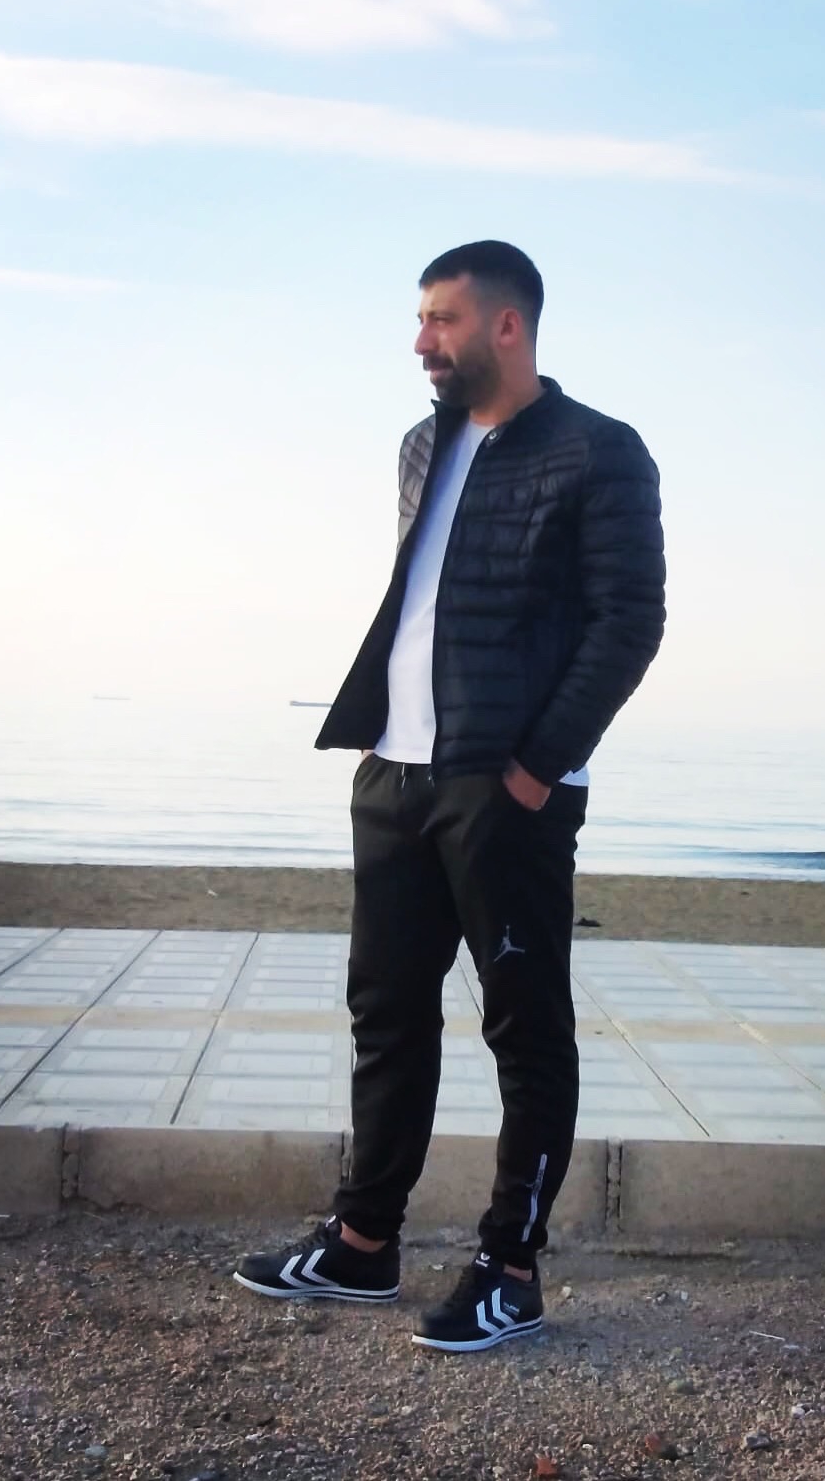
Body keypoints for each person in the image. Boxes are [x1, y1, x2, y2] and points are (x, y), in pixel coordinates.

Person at [234, 240, 665, 1352]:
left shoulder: (600, 451)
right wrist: (388, 745)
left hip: (504, 787)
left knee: (525, 1028)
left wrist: (534, 768)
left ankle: (510, 1269)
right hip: (396, 771)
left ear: (506, 325)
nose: (421, 340)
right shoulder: (421, 444)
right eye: (422, 318)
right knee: (385, 1011)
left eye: (443, 319)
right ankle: (362, 1242)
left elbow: (630, 622)